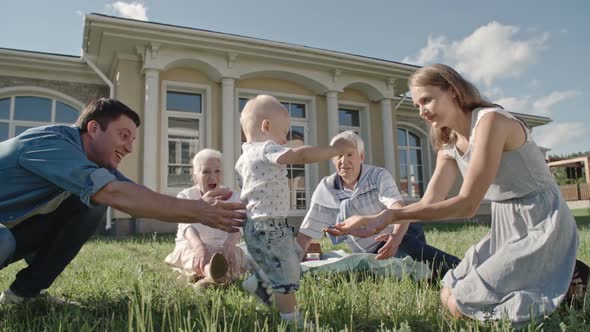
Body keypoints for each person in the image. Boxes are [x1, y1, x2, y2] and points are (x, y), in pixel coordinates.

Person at [326, 64, 579, 325]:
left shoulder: (490, 121)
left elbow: (467, 204)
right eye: (417, 105)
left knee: (463, 304)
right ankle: (554, 277)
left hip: (542, 220)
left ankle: (565, 278)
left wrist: (389, 215)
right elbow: (429, 202)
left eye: (426, 100)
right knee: (449, 292)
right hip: (506, 223)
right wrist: (393, 232)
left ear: (453, 91)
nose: (422, 111)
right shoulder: (448, 140)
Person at [0, 98, 245, 305]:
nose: (128, 147)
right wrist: (199, 210)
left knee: (91, 204)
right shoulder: (51, 144)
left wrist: (200, 207)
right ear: (94, 128)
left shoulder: (95, 166)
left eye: (133, 140)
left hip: (12, 233)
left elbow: (135, 195)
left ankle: (24, 293)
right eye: (123, 135)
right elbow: (117, 193)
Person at [235, 94, 353, 325]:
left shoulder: (243, 157)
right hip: (271, 226)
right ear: (266, 127)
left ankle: (260, 282)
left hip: (252, 226)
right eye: (285, 133)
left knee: (276, 264)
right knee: (287, 276)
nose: (286, 139)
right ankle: (291, 320)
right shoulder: (266, 149)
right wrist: (332, 150)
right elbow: (299, 155)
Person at [297, 130, 460, 278]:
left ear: (361, 157)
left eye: (350, 155)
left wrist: (395, 238)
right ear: (332, 159)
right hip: (371, 249)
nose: (343, 161)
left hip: (401, 231)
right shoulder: (326, 188)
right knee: (389, 270)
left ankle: (460, 270)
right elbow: (305, 235)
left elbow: (398, 209)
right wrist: (290, 268)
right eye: (338, 155)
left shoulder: (378, 176)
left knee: (411, 260)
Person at [164, 148, 247, 289]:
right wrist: (199, 247)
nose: (213, 176)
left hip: (223, 248)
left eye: (217, 171)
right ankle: (214, 273)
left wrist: (229, 245)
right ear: (195, 176)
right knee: (189, 255)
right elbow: (187, 228)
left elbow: (237, 226)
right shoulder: (186, 196)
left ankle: (207, 281)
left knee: (237, 256)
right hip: (192, 246)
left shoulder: (233, 195)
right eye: (206, 172)